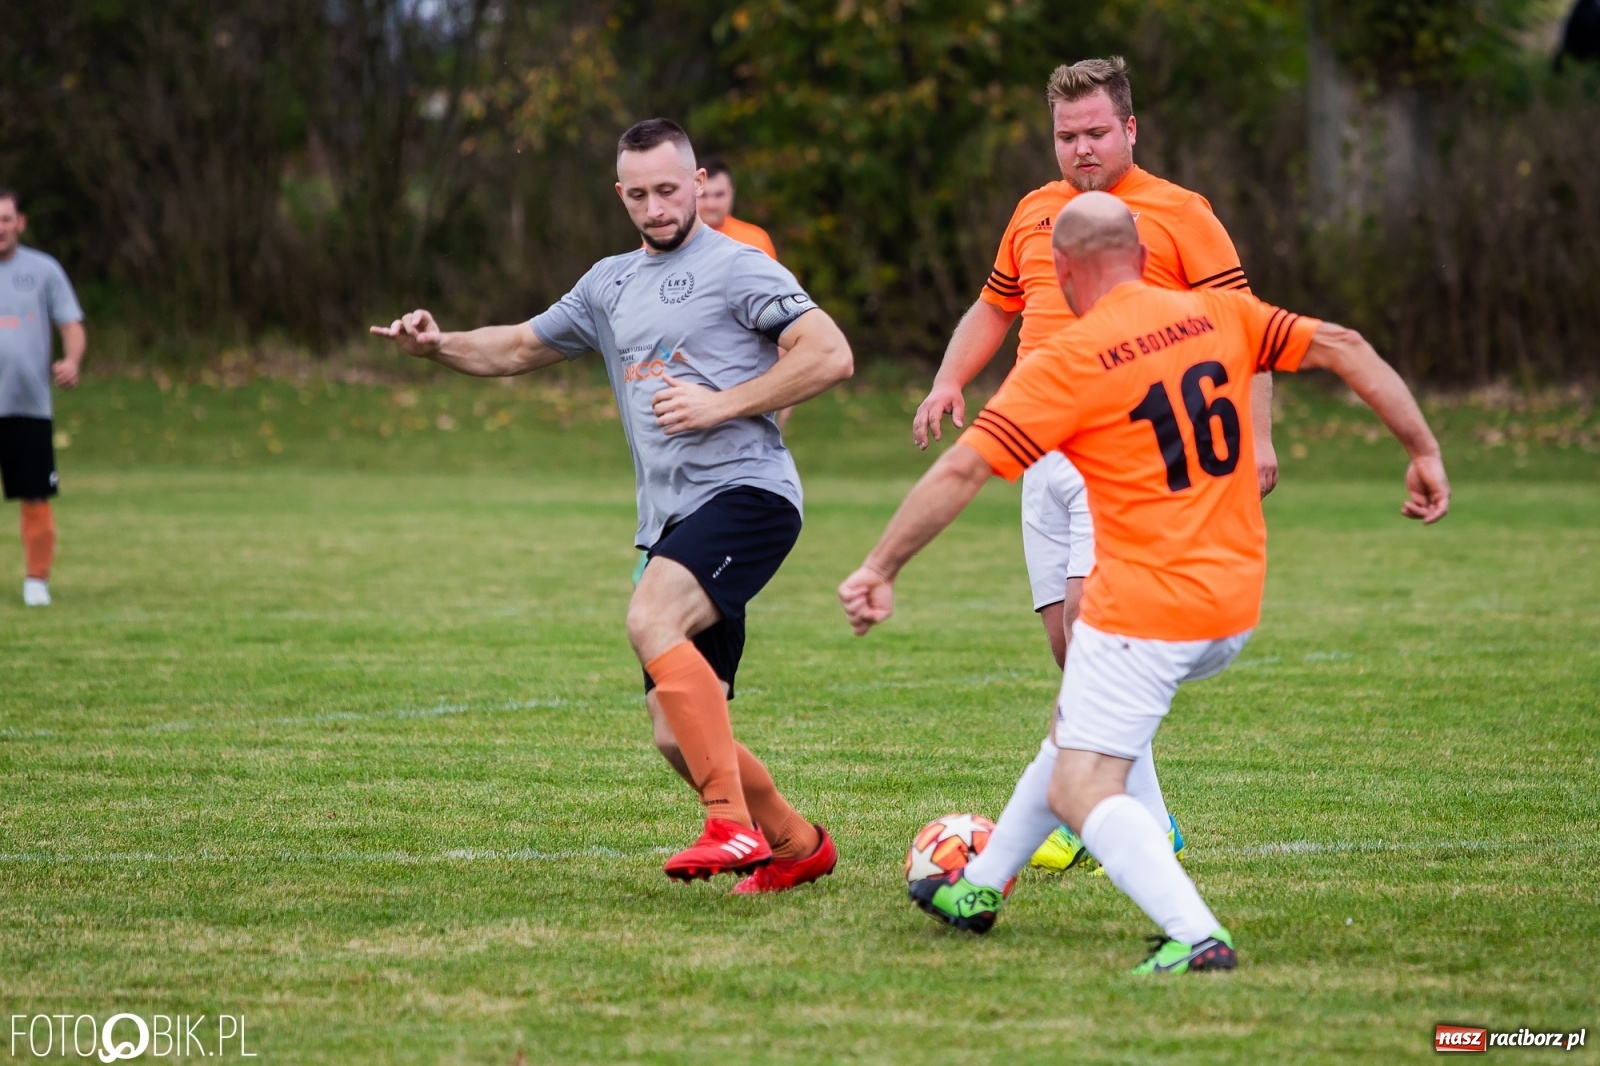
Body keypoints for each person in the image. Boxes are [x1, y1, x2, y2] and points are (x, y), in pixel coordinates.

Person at [841, 193, 1449, 972]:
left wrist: (879, 566)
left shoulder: (1070, 360)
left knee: (1082, 787)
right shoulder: (1220, 316)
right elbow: (1345, 344)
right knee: (1072, 730)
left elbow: (963, 467)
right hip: (1233, 603)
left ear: (1059, 273)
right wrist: (1423, 450)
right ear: (1141, 250)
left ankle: (1196, 935)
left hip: (1146, 609)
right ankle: (980, 887)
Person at [371, 119, 853, 893]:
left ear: (698, 183)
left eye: (669, 189)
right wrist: (438, 345)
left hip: (749, 493)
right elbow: (522, 346)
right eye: (639, 195)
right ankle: (797, 844)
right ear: (619, 194)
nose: (656, 207)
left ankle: (730, 827)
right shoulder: (609, 282)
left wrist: (720, 405)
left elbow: (831, 354)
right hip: (671, 521)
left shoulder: (741, 268)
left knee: (649, 620)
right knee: (674, 733)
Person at [910, 56, 1274, 873]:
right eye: (1066, 136)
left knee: (1091, 630)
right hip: (1039, 449)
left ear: (1131, 129)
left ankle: (1089, 803)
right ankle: (1143, 814)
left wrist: (1262, 437)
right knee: (1066, 645)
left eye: (1096, 132)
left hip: (1124, 453)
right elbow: (996, 304)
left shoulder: (1180, 215)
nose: (1080, 149)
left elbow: (1247, 330)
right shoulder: (1035, 212)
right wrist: (949, 378)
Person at [0, 188, 86, 608]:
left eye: (5, 219)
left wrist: (71, 360)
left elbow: (71, 324)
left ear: (20, 223)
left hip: (28, 406)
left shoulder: (43, 270)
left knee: (35, 494)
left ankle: (37, 581)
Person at [697, 160, 779, 260]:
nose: (711, 205)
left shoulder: (755, 242)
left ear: (732, 193)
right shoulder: (677, 241)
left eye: (719, 195)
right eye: (703, 196)